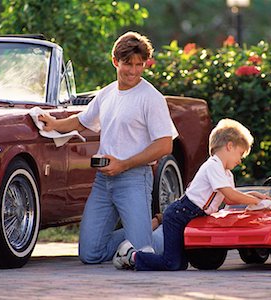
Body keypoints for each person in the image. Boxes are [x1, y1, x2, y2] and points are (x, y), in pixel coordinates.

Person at [38, 31, 176, 263]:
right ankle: (144, 228)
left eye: (139, 65)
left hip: (134, 178)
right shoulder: (107, 93)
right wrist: (53, 124)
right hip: (103, 181)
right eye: (127, 64)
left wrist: (123, 164)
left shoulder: (151, 98)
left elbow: (165, 145)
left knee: (143, 253)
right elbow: (82, 121)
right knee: (90, 254)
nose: (133, 71)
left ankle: (167, 230)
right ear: (115, 61)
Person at [112, 118, 271, 271]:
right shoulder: (213, 165)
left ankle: (137, 257)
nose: (240, 160)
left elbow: (228, 198)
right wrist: (255, 200)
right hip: (179, 215)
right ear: (229, 146)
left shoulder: (226, 174)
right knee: (172, 263)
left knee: (180, 264)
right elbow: (231, 195)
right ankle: (131, 255)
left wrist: (254, 195)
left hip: (191, 216)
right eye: (240, 154)